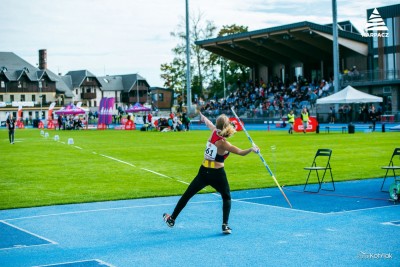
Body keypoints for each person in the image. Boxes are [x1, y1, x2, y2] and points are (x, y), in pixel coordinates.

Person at [163, 112, 259, 235]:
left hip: (203, 171)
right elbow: (240, 152)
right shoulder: (223, 143)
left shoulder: (214, 132)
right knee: (226, 197)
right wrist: (252, 149)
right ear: (226, 126)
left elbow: (208, 123)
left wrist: (203, 117)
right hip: (217, 173)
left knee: (187, 195)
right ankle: (225, 225)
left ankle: (172, 219)